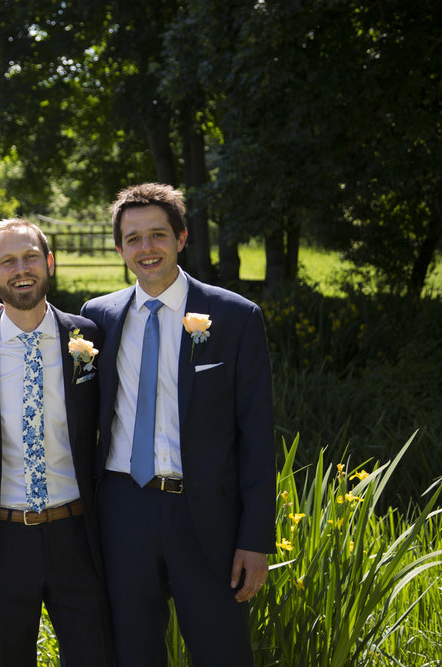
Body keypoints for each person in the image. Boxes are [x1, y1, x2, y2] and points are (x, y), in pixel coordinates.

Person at [80, 182, 276, 666]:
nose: (146, 249)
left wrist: (255, 539)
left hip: (205, 516)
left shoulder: (235, 317)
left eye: (158, 235)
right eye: (133, 239)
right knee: (133, 651)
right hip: (123, 509)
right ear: (121, 247)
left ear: (182, 237)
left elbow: (256, 436)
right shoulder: (97, 318)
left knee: (222, 652)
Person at [0, 218, 113, 667]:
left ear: (49, 263)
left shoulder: (88, 337)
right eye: (7, 261)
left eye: (30, 257)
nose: (20, 269)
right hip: (2, 539)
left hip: (79, 534)